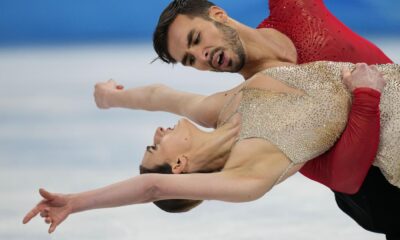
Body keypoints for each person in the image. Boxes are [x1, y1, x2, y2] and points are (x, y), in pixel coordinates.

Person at [97, 1, 398, 237]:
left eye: (196, 39)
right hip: (380, 196)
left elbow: (159, 95)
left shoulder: (295, 11)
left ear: (218, 14)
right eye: (190, 60)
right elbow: (344, 179)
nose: (201, 57)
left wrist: (111, 96)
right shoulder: (253, 110)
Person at [23, 61, 399, 237]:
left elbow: (159, 95)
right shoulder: (246, 175)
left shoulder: (220, 108)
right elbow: (152, 188)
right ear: (181, 164)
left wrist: (109, 98)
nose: (157, 131)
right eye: (156, 146)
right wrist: (75, 202)